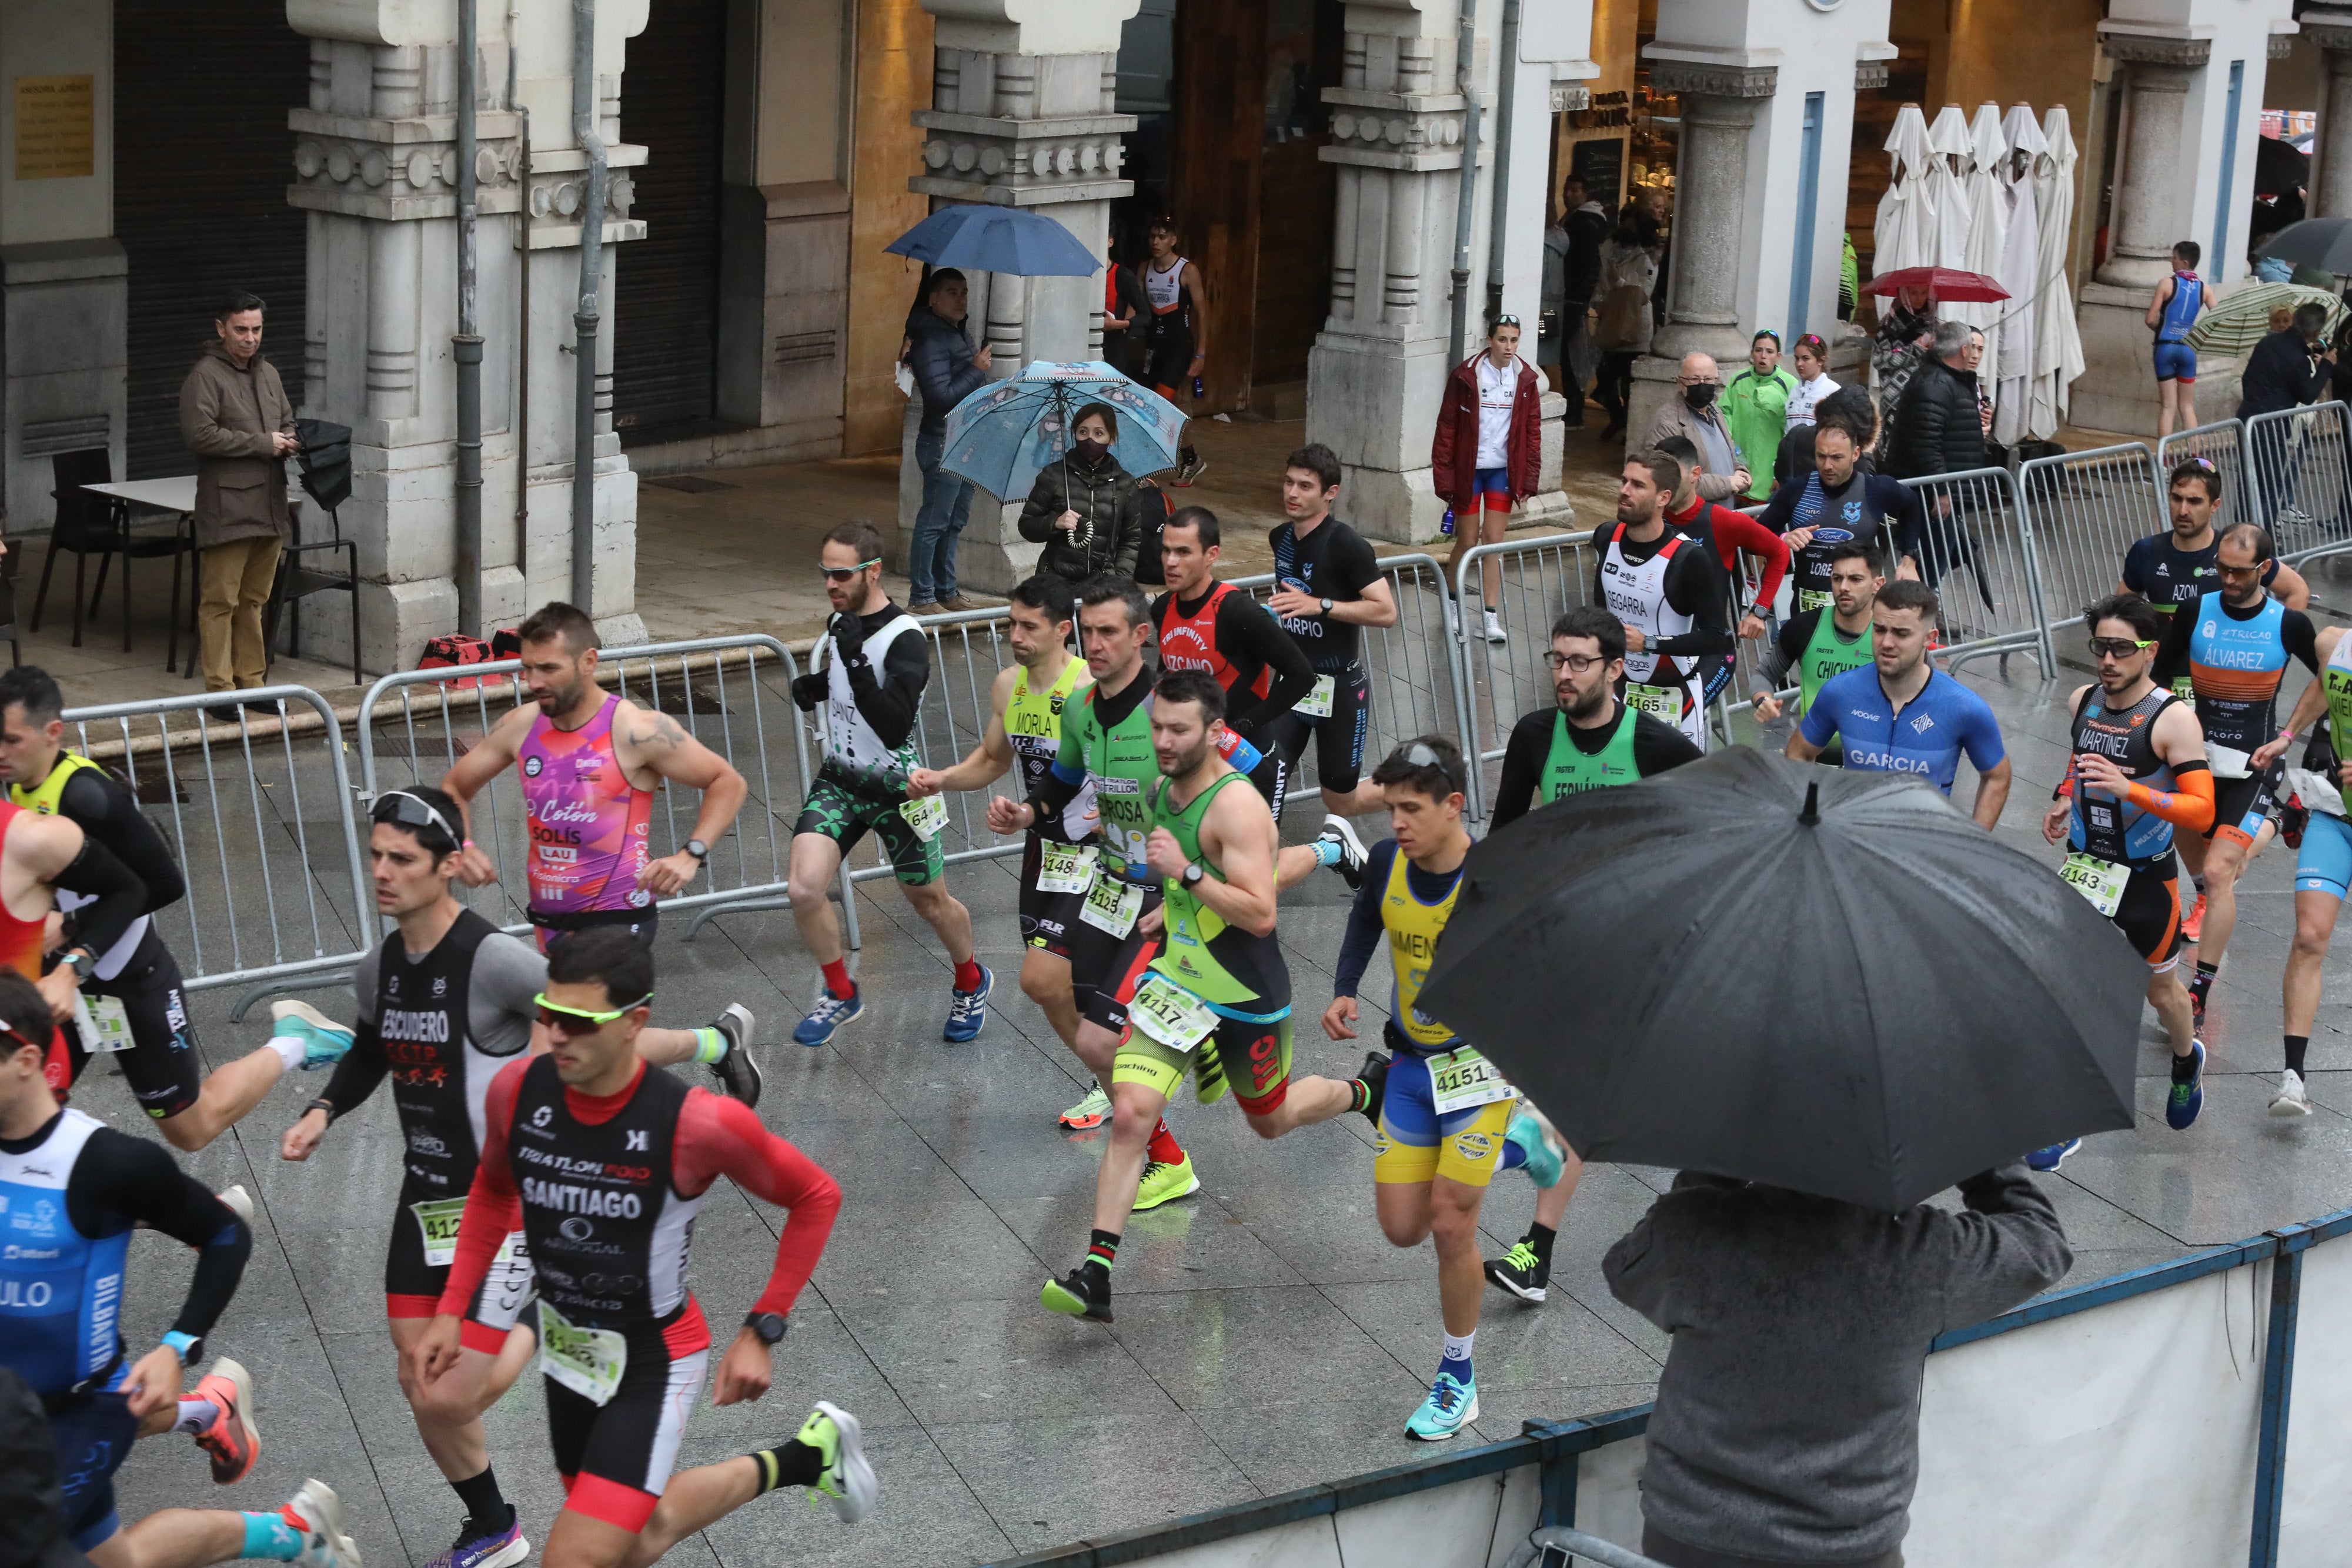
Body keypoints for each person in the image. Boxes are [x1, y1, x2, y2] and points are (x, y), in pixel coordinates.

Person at [415, 928, 874, 1568]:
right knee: (634, 1540)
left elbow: (816, 1196)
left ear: (635, 1023)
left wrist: (762, 1328)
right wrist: (451, 1310)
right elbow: (493, 1193)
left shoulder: (700, 1123)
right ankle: (806, 1457)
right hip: (570, 1349)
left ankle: (806, 1455)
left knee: (574, 1558)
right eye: (548, 1014)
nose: (555, 1036)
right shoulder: (517, 1091)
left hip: (654, 1361)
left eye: (579, 1021)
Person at [277, 787, 586, 1568]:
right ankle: (494, 1524)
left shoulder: (495, 958)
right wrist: (322, 1109)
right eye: (376, 854)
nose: (382, 871)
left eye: (402, 858)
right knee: (419, 1375)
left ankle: (551, 1312)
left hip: (508, 1198)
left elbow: (586, 1026)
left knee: (452, 1389)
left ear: (449, 865)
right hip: (428, 1198)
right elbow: (372, 1047)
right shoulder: (376, 965)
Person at [1036, 670, 1383, 1325]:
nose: (1162, 741)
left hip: (1247, 993)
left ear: (1212, 732)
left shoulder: (1237, 807)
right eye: (1157, 728)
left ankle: (1368, 1090)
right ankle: (1096, 1275)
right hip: (1177, 981)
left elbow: (1258, 914)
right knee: (1133, 1112)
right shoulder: (1164, 788)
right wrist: (1171, 910)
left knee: (1270, 1119)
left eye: (1177, 730)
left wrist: (1186, 876)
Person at [0, 966, 367, 1568]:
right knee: (117, 1559)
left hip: (83, 1409)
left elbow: (225, 1234)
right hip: (9, 1414)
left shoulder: (107, 1163)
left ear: (26, 1059)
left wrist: (175, 1348)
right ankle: (295, 1533)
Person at [1603, 1162, 2069, 1568]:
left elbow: (1626, 1267)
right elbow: (2042, 1243)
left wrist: (1708, 1173)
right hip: (1850, 1545)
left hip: (1689, 1535)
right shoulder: (1925, 1252)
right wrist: (1984, 1154)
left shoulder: (1696, 1230)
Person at [1324, 738, 1563, 1439]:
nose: (1396, 822)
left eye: (1411, 808)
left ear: (1454, 805)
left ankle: (1457, 1376)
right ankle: (1524, 1144)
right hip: (1408, 1069)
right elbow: (1368, 913)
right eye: (1390, 806)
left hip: (1480, 1066)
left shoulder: (1495, 877)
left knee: (1452, 1223)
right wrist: (1343, 989)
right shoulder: (1387, 861)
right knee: (1403, 1228)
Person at [439, 602, 761, 1098]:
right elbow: (456, 787)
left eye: (548, 668)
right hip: (549, 921)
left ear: (588, 661)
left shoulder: (634, 729)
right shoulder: (523, 726)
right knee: (589, 1048)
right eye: (526, 668)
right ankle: (717, 1043)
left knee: (561, 1056)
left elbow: (727, 781)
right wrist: (461, 846)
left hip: (615, 920)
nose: (534, 681)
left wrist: (690, 853)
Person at [1478, 608, 1701, 1303]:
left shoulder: (1656, 744)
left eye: (1579, 662)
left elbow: (1716, 815)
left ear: (1614, 669)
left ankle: (1537, 1250)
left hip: (1631, 946)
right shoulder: (1535, 736)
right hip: (1554, 937)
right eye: (1557, 660)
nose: (1564, 674)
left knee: (1570, 1091)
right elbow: (1504, 836)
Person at [0, 667, 320, 1151]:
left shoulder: (89, 795)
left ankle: (296, 1040)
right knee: (22, 1109)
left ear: (52, 733)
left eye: (11, 740)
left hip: (131, 981)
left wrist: (69, 928)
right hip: (68, 978)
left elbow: (164, 883)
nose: (0, 752)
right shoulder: (20, 782)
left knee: (191, 1128)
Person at [995, 574, 1216, 1209]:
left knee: (1097, 1040)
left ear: (1140, 637)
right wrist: (1026, 815)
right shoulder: (1085, 709)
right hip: (1108, 890)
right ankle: (1168, 1157)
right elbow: (1060, 785)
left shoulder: (1170, 712)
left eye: (1107, 632)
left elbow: (1256, 773)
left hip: (1166, 902)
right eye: (1087, 631)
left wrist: (1209, 877)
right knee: (1085, 1028)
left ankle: (1204, 1041)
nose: (1093, 644)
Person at [906, 576, 1105, 1126]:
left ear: (1064, 629)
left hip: (1097, 853)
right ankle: (1108, 1074)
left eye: (1028, 626)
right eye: (1010, 623)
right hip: (1042, 850)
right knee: (1056, 988)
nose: (1014, 635)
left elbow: (1133, 763)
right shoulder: (1008, 686)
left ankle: (1120, 1078)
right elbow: (994, 758)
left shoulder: (1089, 685)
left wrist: (1113, 816)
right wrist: (943, 777)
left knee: (1043, 979)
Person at [783, 522, 990, 1047]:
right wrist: (817, 687)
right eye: (824, 573)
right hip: (840, 779)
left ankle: (971, 978)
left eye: (841, 573)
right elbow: (850, 690)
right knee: (804, 887)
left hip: (900, 788)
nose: (830, 583)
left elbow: (896, 722)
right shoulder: (841, 621)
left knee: (929, 901)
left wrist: (851, 662)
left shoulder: (906, 638)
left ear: (872, 571)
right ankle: (840, 991)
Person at [2041, 594, 2215, 1151]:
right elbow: (2079, 759)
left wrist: (2131, 789)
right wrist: (2066, 795)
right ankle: (2064, 1117)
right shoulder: (2082, 700)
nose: (2108, 659)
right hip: (2086, 867)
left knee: (2162, 994)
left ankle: (2188, 1062)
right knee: (2067, 989)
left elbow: (2202, 809)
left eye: (2122, 648)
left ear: (2150, 651)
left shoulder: (2173, 720)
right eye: (2100, 647)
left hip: (2145, 879)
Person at [2150, 521, 2320, 1019]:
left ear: (2265, 570)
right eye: (2221, 567)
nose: (2226, 577)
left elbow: (2332, 676)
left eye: (2239, 571)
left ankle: (2199, 989)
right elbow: (2158, 679)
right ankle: (2282, 819)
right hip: (2197, 758)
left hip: (2254, 761)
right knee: (2194, 848)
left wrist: (2289, 735)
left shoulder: (2287, 624)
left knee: (2222, 870)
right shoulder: (2195, 610)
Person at [1788, 581, 2013, 829]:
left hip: (1922, 855)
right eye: (1879, 629)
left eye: (1901, 633)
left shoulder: (1962, 707)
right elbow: (1799, 752)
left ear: (1930, 638)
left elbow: (1997, 777)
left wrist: (1971, 844)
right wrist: (1808, 815)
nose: (1886, 642)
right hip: (1854, 844)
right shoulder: (1841, 692)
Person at [1260, 444, 1398, 830]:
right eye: (1289, 482)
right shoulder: (1280, 538)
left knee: (1340, 799)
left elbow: (1386, 611)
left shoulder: (1346, 544)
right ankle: (1256, 868)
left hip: (1339, 687)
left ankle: (1418, 791)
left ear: (1330, 493)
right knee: (1267, 772)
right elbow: (1292, 603)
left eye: (1305, 486)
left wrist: (1320, 605)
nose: (1292, 492)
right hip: (1294, 682)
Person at [1149, 507, 1318, 824]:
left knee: (1256, 870)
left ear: (1211, 555)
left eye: (1183, 552)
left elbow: (1302, 676)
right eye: (1166, 550)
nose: (1171, 562)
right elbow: (1170, 671)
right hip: (1199, 763)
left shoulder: (1236, 611)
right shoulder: (1163, 608)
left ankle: (1329, 849)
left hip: (1254, 762)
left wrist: (1246, 725)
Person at [179, 291, 297, 705]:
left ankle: (253, 683)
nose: (250, 338)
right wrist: (265, 442)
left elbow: (287, 419)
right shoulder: (206, 375)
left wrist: (293, 438)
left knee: (254, 602)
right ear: (221, 328)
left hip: (270, 504)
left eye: (257, 329)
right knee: (220, 601)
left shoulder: (269, 374)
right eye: (241, 329)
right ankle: (220, 691)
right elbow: (200, 435)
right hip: (227, 508)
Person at [1589, 450, 1733, 751]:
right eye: (1624, 481)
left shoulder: (1689, 558)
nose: (1625, 491)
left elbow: (1715, 638)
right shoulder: (1605, 537)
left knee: (1674, 794)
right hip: (1619, 684)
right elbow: (1601, 613)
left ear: (1663, 498)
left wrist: (1651, 643)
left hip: (1675, 688)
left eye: (1638, 485)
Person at [2269, 618, 2352, 1115]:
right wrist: (2287, 733)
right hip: (2336, 815)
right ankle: (2292, 1078)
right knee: (2308, 937)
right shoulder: (2334, 644)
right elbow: (2324, 681)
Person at [1433, 317, 1542, 644]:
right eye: (1503, 340)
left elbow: (1532, 431)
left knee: (1494, 541)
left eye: (1514, 340)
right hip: (1470, 470)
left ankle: (1489, 616)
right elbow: (1446, 428)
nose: (1509, 347)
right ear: (1489, 340)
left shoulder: (1526, 379)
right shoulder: (1466, 375)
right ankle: (1452, 603)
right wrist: (1445, 476)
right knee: (1468, 541)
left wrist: (1530, 474)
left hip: (1502, 471)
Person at [1758, 404, 1923, 613]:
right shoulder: (1797, 490)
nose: (1828, 466)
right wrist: (1783, 539)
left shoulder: (1875, 489)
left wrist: (1909, 558)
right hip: (1807, 608)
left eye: (1837, 458)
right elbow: (1754, 536)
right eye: (1821, 456)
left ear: (1855, 454)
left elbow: (1911, 504)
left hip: (1860, 610)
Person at [2120, 459, 2308, 641]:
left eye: (2194, 502)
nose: (2183, 510)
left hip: (2226, 673)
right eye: (2177, 499)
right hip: (2167, 674)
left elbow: (2298, 590)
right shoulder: (2147, 551)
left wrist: (2271, 648)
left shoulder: (2233, 551)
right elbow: (2117, 615)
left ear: (2214, 505)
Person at [905, 268, 993, 615]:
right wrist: (975, 369)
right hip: (942, 442)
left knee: (955, 520)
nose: (961, 299)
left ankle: (947, 590)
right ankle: (923, 595)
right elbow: (940, 398)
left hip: (964, 442)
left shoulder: (957, 332)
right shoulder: (930, 340)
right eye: (952, 292)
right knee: (934, 521)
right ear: (933, 299)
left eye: (965, 292)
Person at [1651, 433, 1790, 647]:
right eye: (1658, 476)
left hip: (1710, 650)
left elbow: (1779, 551)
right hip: (1656, 645)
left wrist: (1759, 610)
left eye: (1673, 475)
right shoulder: (1648, 520)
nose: (1665, 484)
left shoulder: (1722, 520)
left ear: (1695, 474)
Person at [1750, 541, 1883, 764]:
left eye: (1856, 579)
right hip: (1811, 762)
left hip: (1871, 768)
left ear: (1877, 584)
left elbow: (1928, 686)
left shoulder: (1891, 635)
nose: (1844, 588)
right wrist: (1763, 699)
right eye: (1837, 578)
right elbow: (1763, 675)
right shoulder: (1805, 627)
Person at [1015, 402, 1145, 583]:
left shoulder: (1125, 484)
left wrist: (1119, 581)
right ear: (1074, 434)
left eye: (1099, 433)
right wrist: (1055, 523)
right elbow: (1027, 526)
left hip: (1102, 588)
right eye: (1083, 432)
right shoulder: (1053, 475)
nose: (1090, 439)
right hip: (1056, 585)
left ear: (1112, 438)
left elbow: (1131, 538)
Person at [1141, 216, 1212, 486]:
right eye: (1152, 237)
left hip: (1179, 347)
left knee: (1158, 405)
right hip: (1152, 346)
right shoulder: (1144, 268)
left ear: (1174, 240)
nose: (1156, 242)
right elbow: (1137, 306)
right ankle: (1191, 459)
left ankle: (1148, 468)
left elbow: (1203, 314)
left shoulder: (1187, 270)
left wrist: (1201, 354)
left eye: (1162, 237)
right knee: (1156, 405)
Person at [1885, 319, 1987, 482]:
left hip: (1956, 483)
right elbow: (1926, 444)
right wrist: (1941, 490)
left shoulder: (1954, 380)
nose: (1975, 355)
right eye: (1972, 348)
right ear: (1964, 350)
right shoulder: (1935, 384)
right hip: (1936, 489)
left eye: (1981, 349)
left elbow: (1951, 429)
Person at [1645, 354, 1749, 502]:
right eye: (1694, 379)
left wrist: (1740, 471)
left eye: (1708, 379)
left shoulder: (1716, 412)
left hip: (1721, 515)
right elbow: (1674, 481)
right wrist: (1727, 483)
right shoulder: (1668, 423)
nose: (1702, 385)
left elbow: (1726, 456)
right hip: (1692, 520)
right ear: (1679, 382)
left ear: (1716, 381)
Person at [1591, 219, 1659, 441]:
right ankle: (1618, 418)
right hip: (1611, 326)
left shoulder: (1646, 260)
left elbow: (1642, 295)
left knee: (1630, 383)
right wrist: (1599, 302)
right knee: (1605, 377)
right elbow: (1601, 286)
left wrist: (1618, 280)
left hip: (1635, 331)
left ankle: (1629, 428)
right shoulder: (1608, 256)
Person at [1723, 330, 1796, 502]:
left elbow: (1793, 429)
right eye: (1758, 350)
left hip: (1770, 475)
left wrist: (1782, 473)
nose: (1763, 356)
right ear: (1751, 353)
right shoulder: (1738, 380)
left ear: (1778, 356)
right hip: (1738, 470)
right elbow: (1724, 413)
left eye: (1769, 352)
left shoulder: (1790, 384)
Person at [2145, 240, 2206, 439]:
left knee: (2168, 407)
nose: (2172, 261)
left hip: (2165, 347)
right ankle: (2196, 459)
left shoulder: (2167, 283)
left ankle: (2164, 461)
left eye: (2175, 258)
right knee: (2187, 406)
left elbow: (2151, 319)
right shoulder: (2205, 289)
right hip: (2188, 349)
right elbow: (2219, 316)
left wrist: (2164, 328)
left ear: (2185, 263)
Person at [2236, 299, 2333, 421]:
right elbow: (2308, 396)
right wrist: (2327, 364)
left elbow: (2247, 379)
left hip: (2247, 419)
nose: (2282, 325)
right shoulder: (2299, 359)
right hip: (2272, 427)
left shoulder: (2266, 342)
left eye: (2286, 320)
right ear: (2317, 333)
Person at [1870, 283, 1938, 454]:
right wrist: (1914, 349)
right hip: (1895, 396)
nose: (1919, 298)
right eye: (1914, 292)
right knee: (1895, 448)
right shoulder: (1889, 323)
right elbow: (1879, 359)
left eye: (1924, 293)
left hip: (1925, 393)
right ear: (1904, 294)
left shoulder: (1933, 325)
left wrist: (1936, 348)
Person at [1783, 333, 1839, 433]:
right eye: (1797, 358)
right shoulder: (1794, 390)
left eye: (1806, 358)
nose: (1799, 364)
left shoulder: (1833, 391)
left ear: (1821, 360)